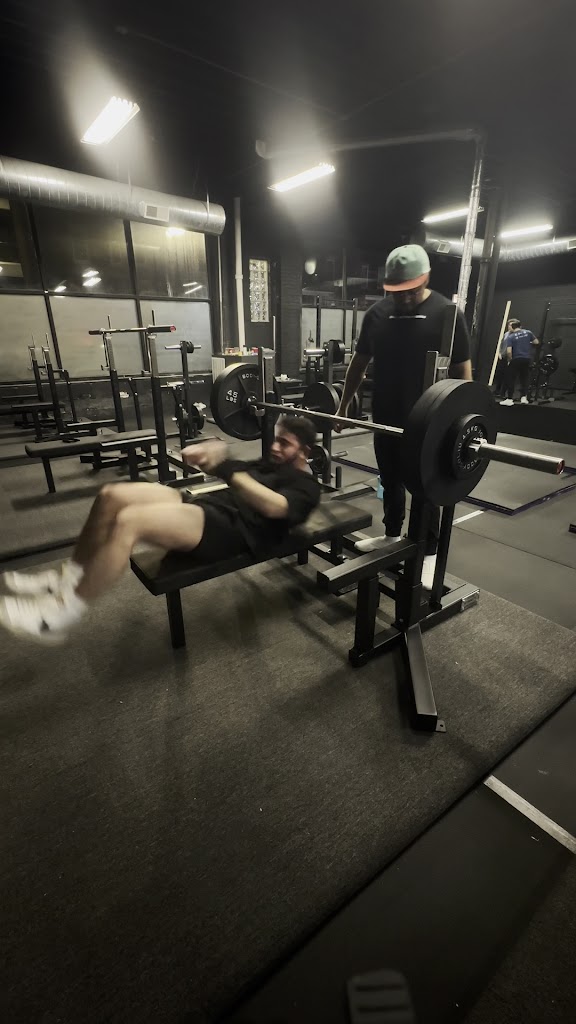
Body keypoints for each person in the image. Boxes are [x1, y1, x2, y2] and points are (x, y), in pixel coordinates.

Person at [0, 415, 321, 642]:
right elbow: (238, 472)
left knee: (130, 521)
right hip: (210, 506)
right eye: (276, 439)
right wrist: (214, 452)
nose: (275, 446)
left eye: (284, 443)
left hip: (234, 532)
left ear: (305, 451)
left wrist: (224, 467)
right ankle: (70, 576)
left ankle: (59, 615)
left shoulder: (306, 487)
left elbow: (274, 506)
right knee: (112, 496)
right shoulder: (270, 463)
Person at [335, 244, 472, 588]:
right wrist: (342, 406)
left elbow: (462, 370)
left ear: (425, 278)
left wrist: (464, 422)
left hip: (429, 421)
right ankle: (392, 536)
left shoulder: (447, 314)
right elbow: (358, 364)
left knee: (425, 487)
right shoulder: (376, 315)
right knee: (390, 479)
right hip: (386, 416)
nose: (405, 298)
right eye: (397, 292)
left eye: (411, 290)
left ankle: (428, 552)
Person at [499, 318, 540, 405]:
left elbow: (509, 351)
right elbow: (536, 342)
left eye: (509, 326)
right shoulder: (528, 332)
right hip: (526, 359)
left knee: (511, 378)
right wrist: (527, 344)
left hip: (516, 359)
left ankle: (510, 399)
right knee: (524, 378)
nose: (508, 328)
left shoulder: (511, 337)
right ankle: (524, 398)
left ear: (512, 327)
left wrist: (510, 360)